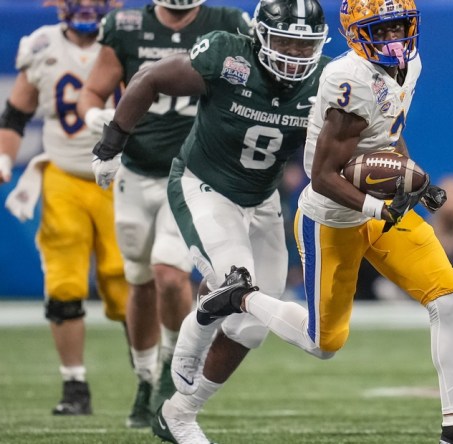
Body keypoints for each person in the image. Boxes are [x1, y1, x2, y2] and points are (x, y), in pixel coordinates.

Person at [173, 0, 453, 442]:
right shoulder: (348, 80)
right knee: (324, 344)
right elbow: (321, 178)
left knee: (450, 298)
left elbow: (388, 134)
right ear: (356, 33)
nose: (395, 38)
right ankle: (238, 298)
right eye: (382, 29)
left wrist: (413, 180)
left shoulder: (409, 64)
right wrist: (379, 208)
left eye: (400, 26)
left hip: (381, 209)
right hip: (333, 217)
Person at [89, 0, 329, 441]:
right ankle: (191, 339)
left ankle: (178, 412)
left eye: (303, 45)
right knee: (235, 284)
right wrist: (112, 143)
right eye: (285, 42)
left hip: (262, 199)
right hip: (205, 185)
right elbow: (150, 78)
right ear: (259, 35)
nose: (294, 55)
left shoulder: (327, 80)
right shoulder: (228, 56)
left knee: (252, 328)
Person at [76, 0, 250, 427]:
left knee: (170, 274)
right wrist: (96, 118)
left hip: (191, 172)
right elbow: (93, 91)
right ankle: (143, 375)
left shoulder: (227, 24)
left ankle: (172, 366)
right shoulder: (128, 24)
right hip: (135, 173)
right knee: (138, 279)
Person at [0, 0, 128, 418]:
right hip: (64, 177)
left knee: (124, 283)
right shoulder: (41, 44)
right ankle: (74, 384)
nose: (88, 6)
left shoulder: (127, 37)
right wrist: (5, 158)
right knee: (64, 286)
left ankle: (150, 377)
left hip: (121, 178)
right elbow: (16, 113)